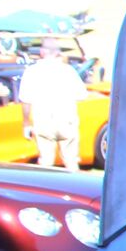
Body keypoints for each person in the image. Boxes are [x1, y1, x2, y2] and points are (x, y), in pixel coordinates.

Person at [20, 39, 89, 170]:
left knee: (46, 163)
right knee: (71, 161)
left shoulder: (31, 71)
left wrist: (26, 123)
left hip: (43, 120)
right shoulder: (68, 71)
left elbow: (25, 100)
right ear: (58, 53)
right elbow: (82, 95)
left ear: (42, 52)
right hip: (66, 120)